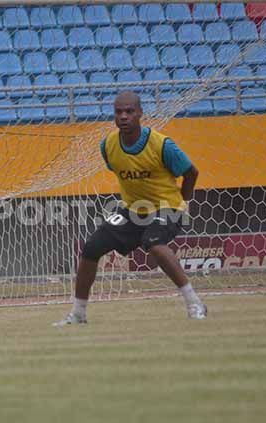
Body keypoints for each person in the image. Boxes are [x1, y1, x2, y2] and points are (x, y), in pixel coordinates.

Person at [54, 91, 207, 326]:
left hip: (166, 208)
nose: (123, 116)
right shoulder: (108, 146)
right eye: (118, 112)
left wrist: (183, 201)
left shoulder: (162, 145)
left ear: (140, 114)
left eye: (129, 111)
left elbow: (191, 172)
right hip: (132, 211)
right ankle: (78, 313)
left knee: (154, 242)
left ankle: (195, 302)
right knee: (91, 247)